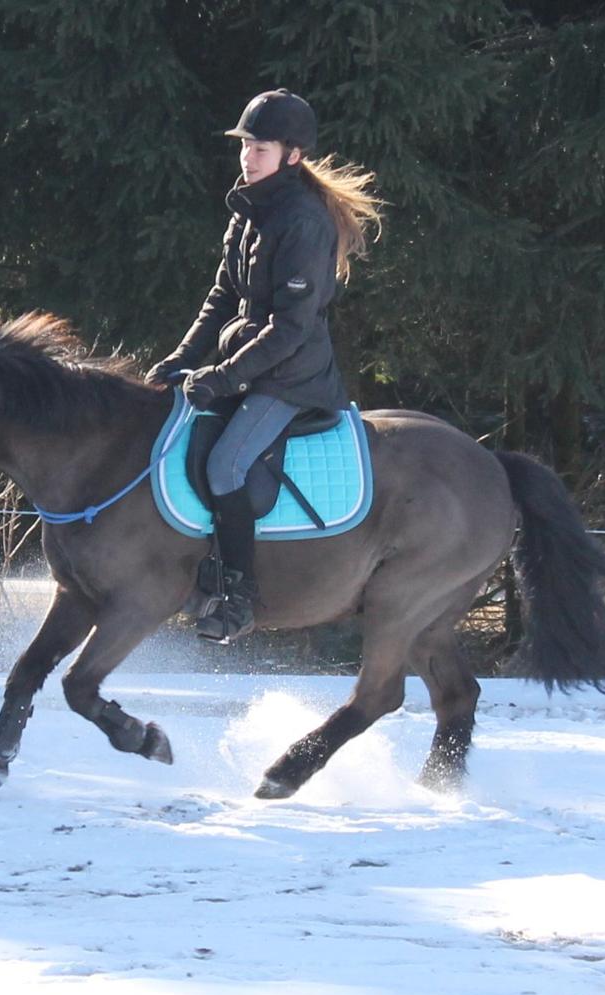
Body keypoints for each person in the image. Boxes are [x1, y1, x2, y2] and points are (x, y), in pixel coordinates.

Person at [146, 88, 382, 643]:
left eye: (261, 147)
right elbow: (221, 297)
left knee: (227, 465)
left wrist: (224, 378)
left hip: (292, 376)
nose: (248, 157)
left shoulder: (303, 222)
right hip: (250, 363)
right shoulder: (249, 209)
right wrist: (182, 360)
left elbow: (290, 329)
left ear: (292, 155)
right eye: (246, 145)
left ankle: (238, 596)